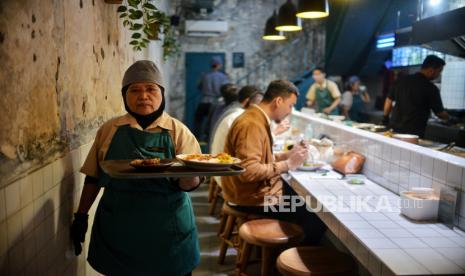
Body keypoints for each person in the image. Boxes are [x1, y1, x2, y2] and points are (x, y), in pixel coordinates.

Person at [70, 60, 202, 276]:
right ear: (124, 95)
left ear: (161, 94)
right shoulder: (109, 130)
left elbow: (190, 181)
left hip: (168, 230)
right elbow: (93, 178)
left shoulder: (178, 131)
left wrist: (190, 180)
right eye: (135, 90)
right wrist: (81, 216)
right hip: (119, 230)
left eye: (151, 89)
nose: (143, 96)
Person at [222, 80, 326, 245]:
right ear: (278, 101)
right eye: (290, 105)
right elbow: (248, 172)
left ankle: (287, 253)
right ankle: (292, 261)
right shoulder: (251, 124)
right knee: (317, 213)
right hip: (250, 199)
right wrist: (289, 165)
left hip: (253, 194)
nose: (290, 111)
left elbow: (261, 159)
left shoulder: (255, 118)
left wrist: (288, 155)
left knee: (302, 201)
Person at [383, 55, 450, 137]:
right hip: (413, 133)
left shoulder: (401, 80)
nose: (439, 75)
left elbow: (388, 101)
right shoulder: (431, 88)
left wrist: (385, 118)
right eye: (439, 71)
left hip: (394, 129)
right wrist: (450, 118)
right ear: (431, 70)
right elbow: (440, 113)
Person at [194, 56, 229, 141]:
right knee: (214, 120)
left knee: (198, 119)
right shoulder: (223, 77)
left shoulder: (204, 76)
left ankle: (197, 137)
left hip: (204, 101)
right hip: (216, 103)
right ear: (218, 65)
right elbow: (226, 89)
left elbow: (199, 87)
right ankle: (209, 138)